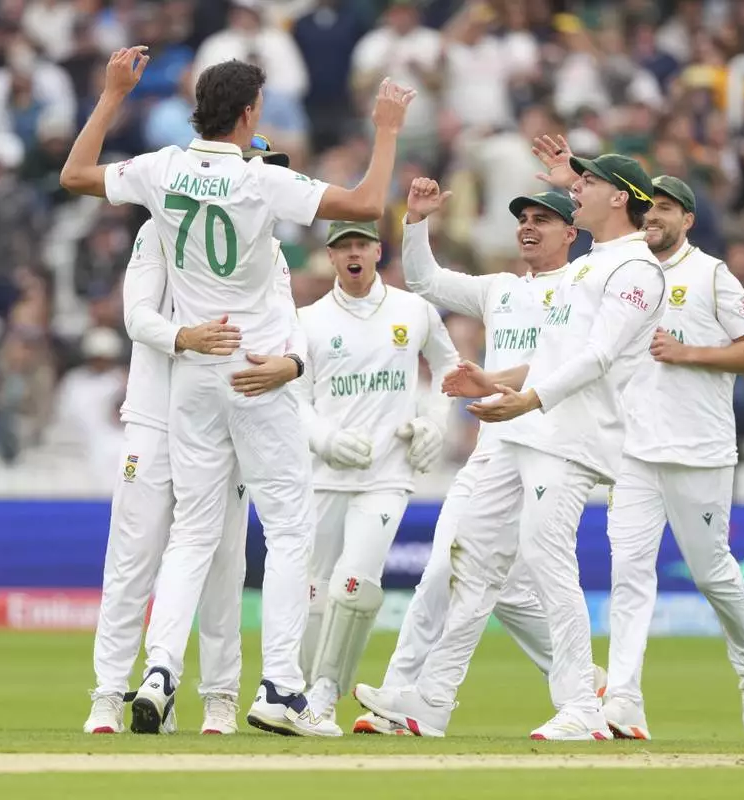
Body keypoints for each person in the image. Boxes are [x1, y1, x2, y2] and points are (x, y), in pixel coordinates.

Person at [59, 48, 416, 737]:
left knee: (192, 536)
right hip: (257, 366)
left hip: (194, 372)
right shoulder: (260, 181)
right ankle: (279, 688)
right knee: (288, 531)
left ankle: (160, 669)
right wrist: (388, 128)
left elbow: (75, 174)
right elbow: (369, 204)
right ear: (250, 112)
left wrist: (110, 96)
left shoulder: (160, 168)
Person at [355, 152, 665, 740]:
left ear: (619, 198)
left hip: (570, 437)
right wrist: (496, 384)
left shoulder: (635, 271)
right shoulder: (585, 267)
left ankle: (582, 706)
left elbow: (597, 358)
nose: (578, 187)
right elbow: (550, 356)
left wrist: (527, 398)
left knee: (548, 563)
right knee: (468, 562)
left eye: (589, 183)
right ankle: (429, 703)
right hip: (521, 427)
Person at [87, 137, 299, 737]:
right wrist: (186, 338)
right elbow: (135, 317)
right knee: (132, 557)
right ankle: (108, 694)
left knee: (223, 560)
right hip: (155, 415)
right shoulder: (160, 227)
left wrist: (291, 365)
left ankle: (219, 698)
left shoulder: (271, 253)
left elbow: (287, 329)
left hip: (226, 414)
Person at [595, 175, 744, 739]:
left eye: (667, 208)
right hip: (634, 451)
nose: (654, 216)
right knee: (628, 571)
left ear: (688, 220)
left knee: (711, 572)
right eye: (648, 207)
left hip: (699, 449)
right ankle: (623, 696)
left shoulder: (711, 274)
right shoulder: (624, 272)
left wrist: (688, 352)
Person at [295, 219, 457, 724]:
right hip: (323, 475)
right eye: (342, 247)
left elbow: (449, 369)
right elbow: (292, 398)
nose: (352, 254)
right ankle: (297, 692)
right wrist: (325, 439)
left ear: (377, 250)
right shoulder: (307, 320)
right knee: (314, 591)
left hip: (388, 474)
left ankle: (325, 694)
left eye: (361, 244)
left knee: (355, 583)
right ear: (330, 256)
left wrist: (434, 421)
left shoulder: (414, 310)